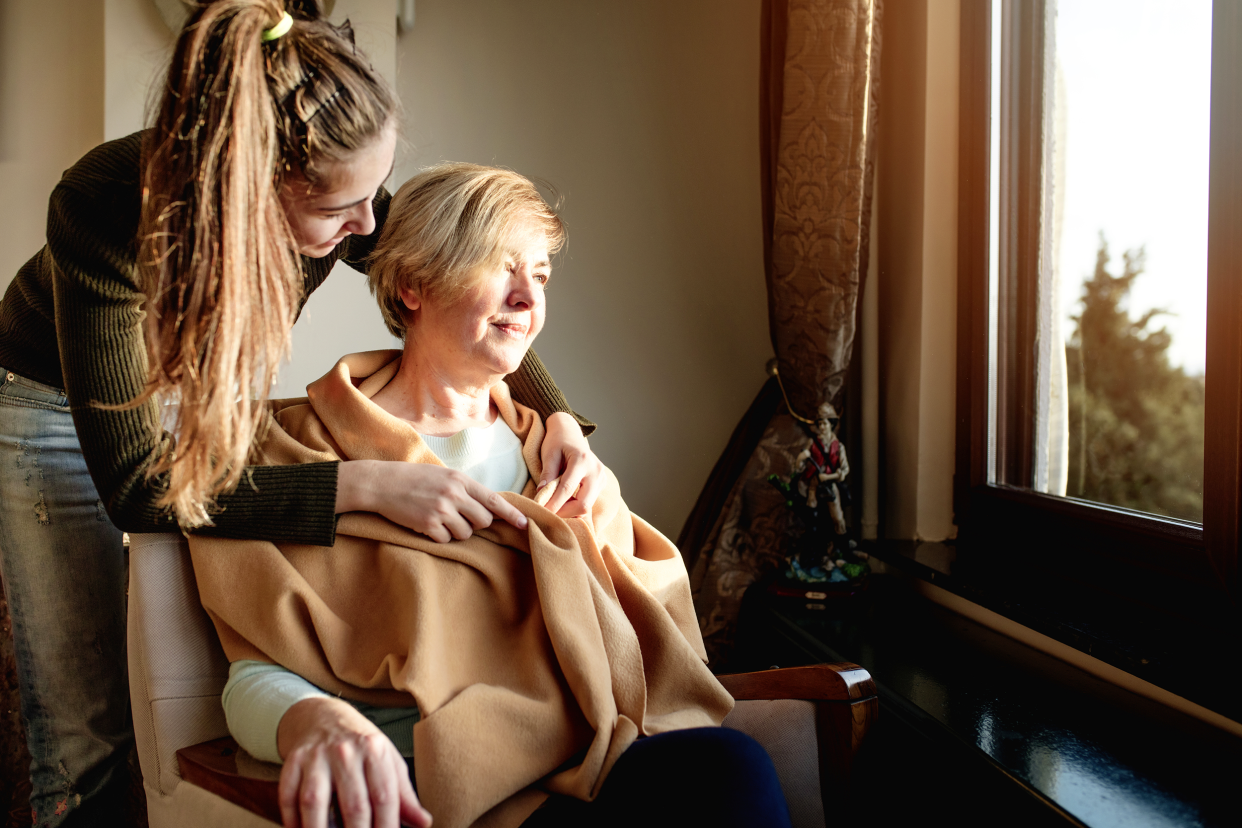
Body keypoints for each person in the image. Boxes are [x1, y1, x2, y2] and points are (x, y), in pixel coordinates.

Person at [0, 3, 601, 825]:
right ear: (247, 190)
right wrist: (358, 485)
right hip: (53, 407)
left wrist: (555, 412)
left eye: (371, 195)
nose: (366, 230)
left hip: (198, 390)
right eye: (337, 213)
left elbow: (441, 268)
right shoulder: (102, 212)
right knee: (91, 738)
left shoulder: (336, 180)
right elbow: (142, 489)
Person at [191, 163, 793, 828]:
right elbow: (254, 673)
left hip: (589, 759)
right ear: (415, 285)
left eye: (539, 274)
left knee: (729, 767)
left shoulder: (558, 458)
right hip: (433, 783)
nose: (528, 300)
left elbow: (646, 651)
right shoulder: (298, 453)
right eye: (499, 267)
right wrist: (312, 718)